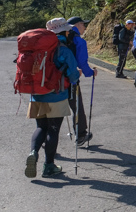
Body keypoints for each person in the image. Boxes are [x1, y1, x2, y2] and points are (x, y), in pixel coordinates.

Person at [26, 18, 80, 178]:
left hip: (37, 95)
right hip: (57, 96)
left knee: (41, 127)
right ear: (63, 31)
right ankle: (48, 166)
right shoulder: (63, 49)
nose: (69, 32)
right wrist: (77, 73)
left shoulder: (37, 48)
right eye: (68, 30)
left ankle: (33, 152)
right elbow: (74, 76)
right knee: (53, 130)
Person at [66, 16, 97, 145]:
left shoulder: (57, 39)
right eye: (83, 24)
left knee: (53, 111)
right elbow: (82, 63)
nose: (85, 27)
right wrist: (91, 73)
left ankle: (46, 140)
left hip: (53, 81)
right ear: (77, 25)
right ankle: (80, 135)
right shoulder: (79, 41)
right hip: (71, 80)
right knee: (77, 107)